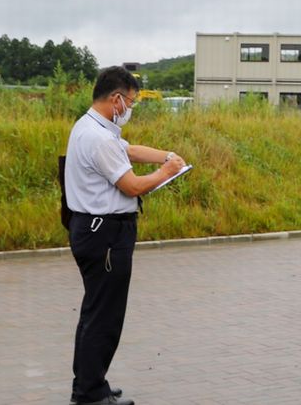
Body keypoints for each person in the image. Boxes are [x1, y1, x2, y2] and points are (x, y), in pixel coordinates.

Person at [64, 66, 185, 405]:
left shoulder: (95, 127)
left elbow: (128, 150)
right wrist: (165, 172)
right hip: (105, 236)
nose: (130, 108)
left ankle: (91, 384)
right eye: (130, 101)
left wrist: (165, 156)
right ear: (116, 99)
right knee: (104, 318)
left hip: (96, 231)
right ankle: (89, 394)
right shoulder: (99, 137)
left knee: (96, 312)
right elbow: (131, 186)